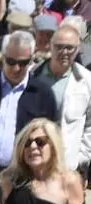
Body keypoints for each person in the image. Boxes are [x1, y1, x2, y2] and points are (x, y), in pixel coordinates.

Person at [0, 30, 60, 178]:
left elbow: (52, 139)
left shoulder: (43, 95)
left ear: (31, 60)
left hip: (24, 178)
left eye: (23, 63)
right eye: (11, 62)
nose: (16, 68)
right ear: (3, 58)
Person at [36, 23, 91, 174]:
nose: (64, 52)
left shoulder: (87, 81)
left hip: (67, 165)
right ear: (50, 47)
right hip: (34, 161)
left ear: (78, 49)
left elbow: (90, 124)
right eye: (59, 47)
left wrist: (81, 157)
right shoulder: (33, 75)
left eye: (69, 48)